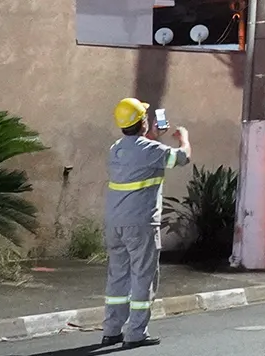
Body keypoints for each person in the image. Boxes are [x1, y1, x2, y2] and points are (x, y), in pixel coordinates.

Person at [103, 98, 191, 349]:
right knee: (143, 276)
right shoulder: (151, 151)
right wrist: (183, 137)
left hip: (115, 222)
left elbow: (141, 151)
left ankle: (111, 330)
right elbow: (182, 158)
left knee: (118, 276)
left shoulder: (116, 148)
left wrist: (151, 134)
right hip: (141, 223)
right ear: (142, 123)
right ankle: (136, 333)